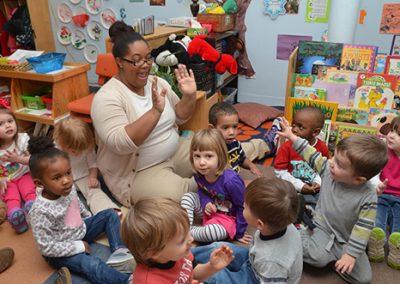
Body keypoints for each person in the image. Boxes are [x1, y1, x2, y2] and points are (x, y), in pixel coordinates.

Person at [91, 21, 198, 207]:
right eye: (136, 60)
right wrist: (155, 111)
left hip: (172, 153)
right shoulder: (107, 97)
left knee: (216, 155)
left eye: (148, 58)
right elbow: (121, 144)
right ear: (119, 62)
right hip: (138, 172)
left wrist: (189, 96)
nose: (145, 65)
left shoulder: (156, 82)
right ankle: (201, 185)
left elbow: (181, 116)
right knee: (182, 194)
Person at [278, 118, 388, 283]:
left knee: (364, 279)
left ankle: (333, 256)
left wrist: (350, 255)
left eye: (339, 164)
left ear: (358, 179)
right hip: (322, 227)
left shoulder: (368, 196)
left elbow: (363, 228)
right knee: (318, 259)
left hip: (346, 238)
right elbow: (311, 153)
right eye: (333, 157)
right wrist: (292, 137)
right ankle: (299, 230)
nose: (331, 163)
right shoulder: (328, 170)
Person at [27, 136, 134, 284]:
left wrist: (87, 217)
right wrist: (78, 246)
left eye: (68, 173)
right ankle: (127, 281)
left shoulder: (67, 189)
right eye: (57, 177)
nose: (66, 180)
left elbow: (76, 204)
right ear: (40, 183)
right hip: (60, 250)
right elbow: (46, 247)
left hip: (79, 230)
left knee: (110, 214)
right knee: (91, 264)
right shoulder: (39, 211)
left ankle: (120, 252)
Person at [192, 177, 302, 284]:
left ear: (259, 224)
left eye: (245, 207)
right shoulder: (282, 223)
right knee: (217, 247)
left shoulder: (272, 263)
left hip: (257, 278)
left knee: (214, 276)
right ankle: (186, 257)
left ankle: (186, 274)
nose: (242, 205)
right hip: (254, 260)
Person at [121, 197, 234, 283]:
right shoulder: (149, 281)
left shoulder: (180, 253)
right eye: (181, 241)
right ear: (154, 253)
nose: (191, 239)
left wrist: (211, 267)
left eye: (187, 232)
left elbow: (191, 272)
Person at [180, 129, 251, 243]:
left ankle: (190, 233)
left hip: (228, 219)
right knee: (188, 197)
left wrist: (239, 232)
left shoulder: (231, 181)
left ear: (220, 156)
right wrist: (206, 202)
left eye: (208, 156)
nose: (201, 162)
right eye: (197, 156)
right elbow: (202, 191)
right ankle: (186, 229)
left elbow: (243, 206)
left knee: (212, 233)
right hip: (209, 210)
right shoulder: (199, 175)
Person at [53, 118, 120, 215]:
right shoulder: (55, 148)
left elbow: (92, 163)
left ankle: (108, 211)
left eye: (81, 150)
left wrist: (93, 177)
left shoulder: (86, 145)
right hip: (63, 178)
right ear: (63, 143)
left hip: (83, 175)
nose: (78, 153)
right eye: (74, 151)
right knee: (62, 200)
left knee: (95, 191)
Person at [274, 107, 329, 206]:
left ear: (315, 132)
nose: (294, 129)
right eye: (293, 125)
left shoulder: (322, 147)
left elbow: (325, 171)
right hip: (291, 186)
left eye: (300, 127)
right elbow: (279, 172)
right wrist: (301, 186)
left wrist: (318, 183)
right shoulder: (286, 147)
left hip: (314, 188)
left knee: (325, 199)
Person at [368, 116, 400, 270]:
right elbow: (374, 173)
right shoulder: (383, 150)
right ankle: (376, 243)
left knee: (398, 221)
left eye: (398, 134)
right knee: (378, 217)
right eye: (392, 130)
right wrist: (377, 186)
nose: (391, 135)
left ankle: (397, 248)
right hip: (382, 193)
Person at [208, 102, 270, 176]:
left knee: (263, 145)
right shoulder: (209, 151)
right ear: (212, 129)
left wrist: (252, 166)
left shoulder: (234, 143)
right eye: (225, 128)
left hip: (235, 177)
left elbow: (242, 158)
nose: (231, 132)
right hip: (228, 183)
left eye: (234, 127)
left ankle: (273, 136)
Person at [0, 107, 35, 233]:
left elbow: (33, 159)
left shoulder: (22, 139)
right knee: (11, 196)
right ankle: (15, 215)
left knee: (29, 189)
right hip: (8, 181)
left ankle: (32, 205)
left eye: (10, 121)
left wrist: (18, 158)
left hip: (24, 174)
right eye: (1, 124)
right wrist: (1, 180)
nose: (8, 126)